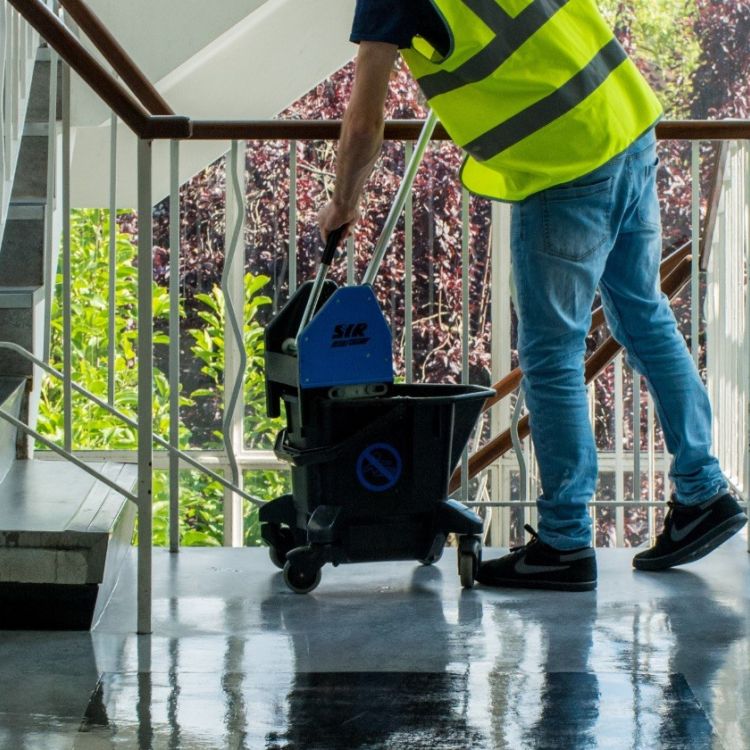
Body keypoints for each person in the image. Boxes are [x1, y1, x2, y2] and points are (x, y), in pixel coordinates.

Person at [317, 0, 747, 591]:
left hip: (564, 163)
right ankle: (705, 491)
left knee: (552, 355)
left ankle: (566, 542)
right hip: (625, 126)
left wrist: (343, 200)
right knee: (645, 316)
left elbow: (365, 122)